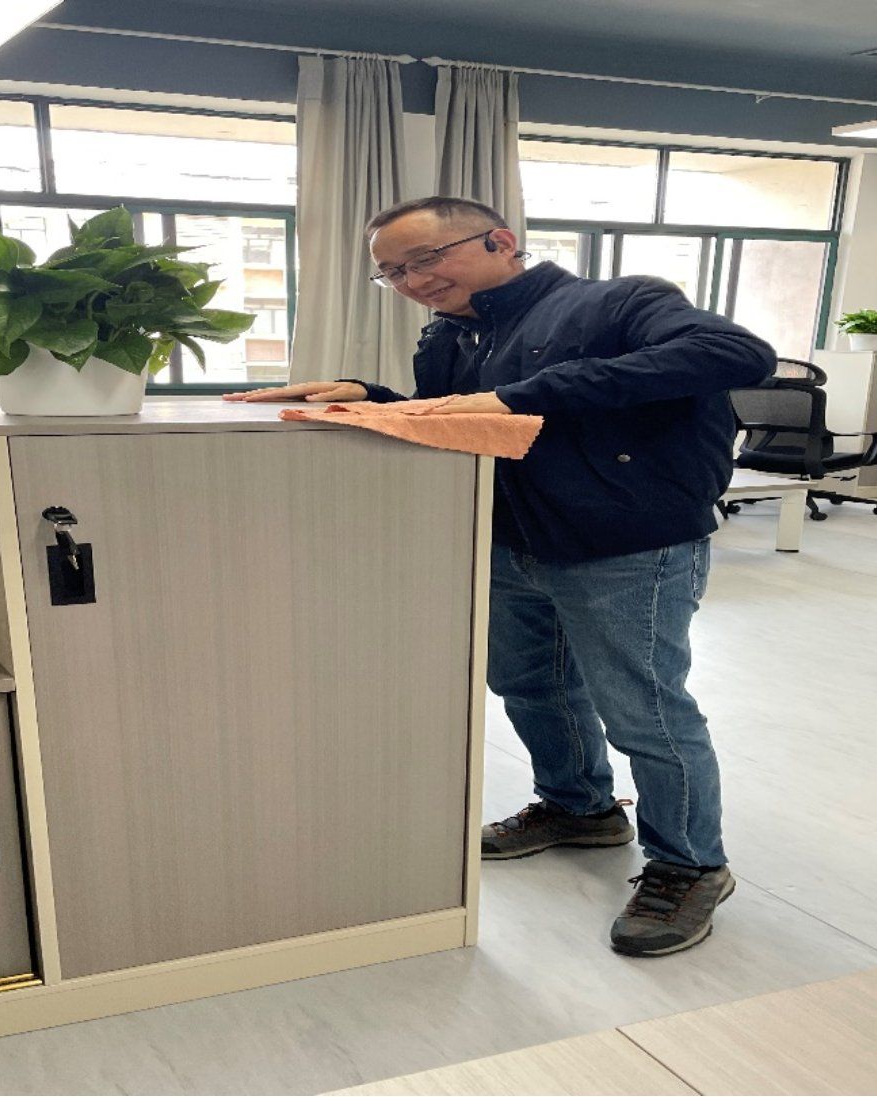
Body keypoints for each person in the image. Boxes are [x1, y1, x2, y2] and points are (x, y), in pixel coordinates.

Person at [226, 196, 775, 955]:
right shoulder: (450, 337)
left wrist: (526, 395)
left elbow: (737, 354)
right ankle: (578, 808)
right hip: (511, 540)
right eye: (392, 273)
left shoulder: (618, 302)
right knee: (529, 685)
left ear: (501, 241)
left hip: (626, 547)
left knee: (644, 709)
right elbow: (461, 420)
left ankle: (690, 863)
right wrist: (367, 397)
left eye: (425, 258)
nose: (413, 280)